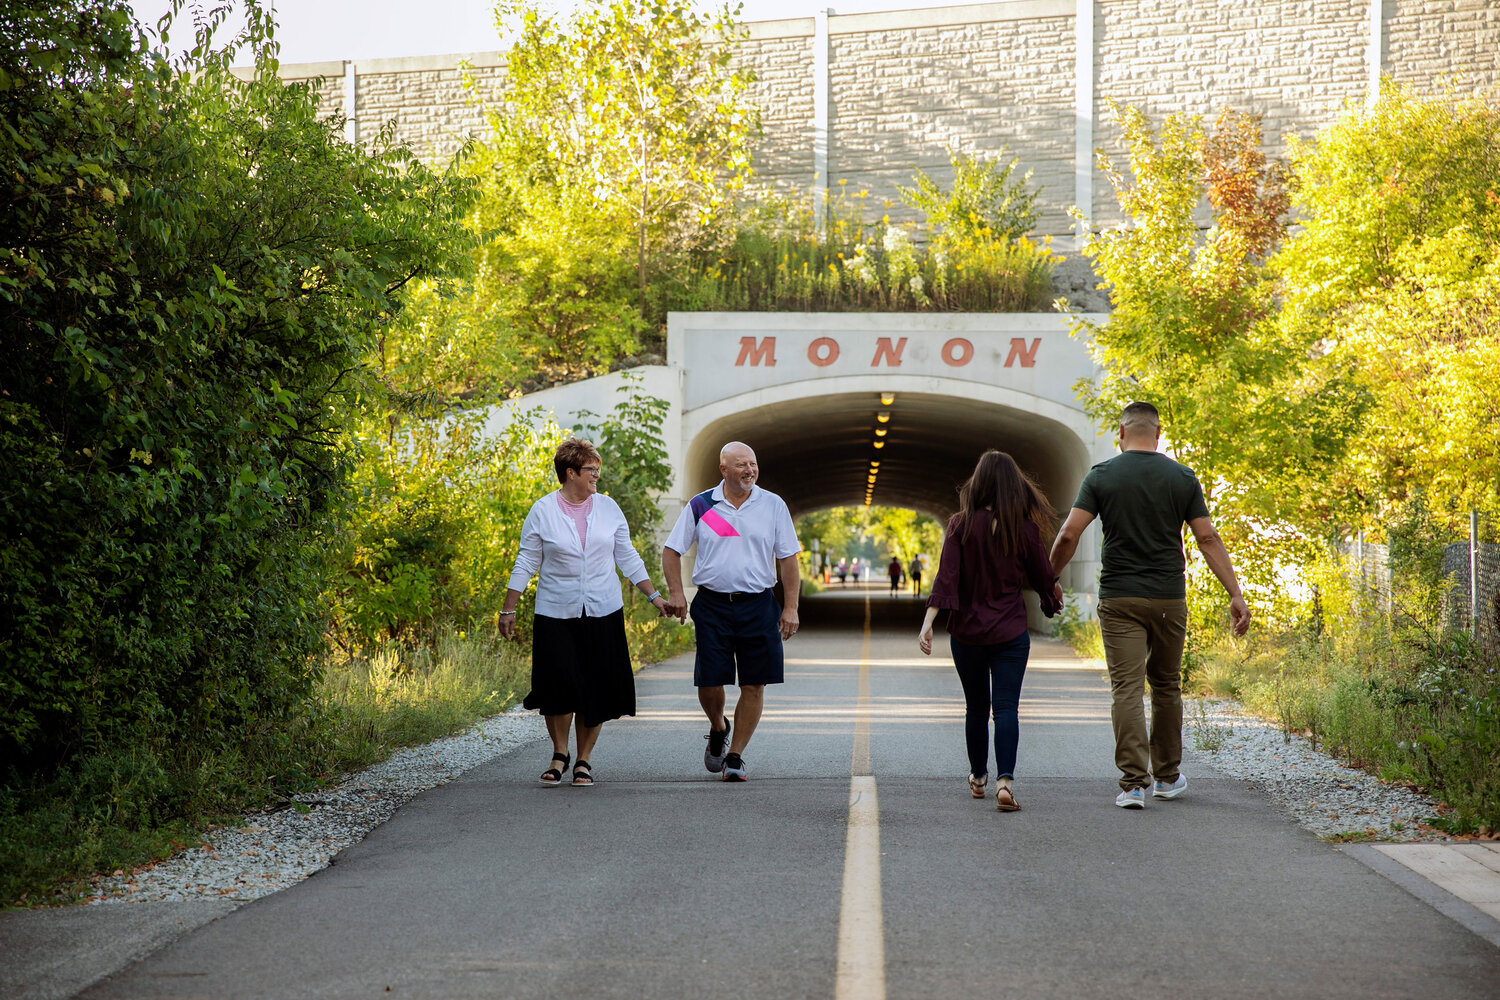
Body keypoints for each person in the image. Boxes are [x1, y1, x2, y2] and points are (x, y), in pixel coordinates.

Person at [1049, 401, 1251, 809]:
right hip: (1168, 598)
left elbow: (1069, 534)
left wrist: (1048, 579)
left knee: (1126, 688)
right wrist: (1235, 592)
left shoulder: (1102, 476)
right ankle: (1167, 777)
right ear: (1158, 435)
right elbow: (1207, 539)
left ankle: (1133, 785)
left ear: (1120, 434)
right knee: (1166, 685)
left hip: (1120, 596)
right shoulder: (1181, 477)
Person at [500, 438, 669, 788]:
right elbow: (526, 561)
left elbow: (627, 557)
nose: (596, 477)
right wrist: (508, 608)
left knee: (597, 686)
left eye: (597, 470)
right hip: (555, 612)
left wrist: (654, 597)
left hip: (603, 610)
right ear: (570, 472)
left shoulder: (608, 508)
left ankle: (584, 760)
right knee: (558, 684)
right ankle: (559, 753)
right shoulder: (542, 510)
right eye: (591, 470)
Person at [918, 451, 1061, 811]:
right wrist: (1051, 595)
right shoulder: (1025, 530)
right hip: (1011, 632)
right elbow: (1043, 577)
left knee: (976, 708)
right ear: (1016, 486)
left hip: (968, 634)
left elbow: (946, 576)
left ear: (978, 483)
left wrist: (928, 622)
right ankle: (1006, 782)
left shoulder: (959, 525)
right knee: (1007, 708)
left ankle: (979, 776)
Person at [662, 441, 801, 782]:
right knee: (710, 681)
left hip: (759, 605)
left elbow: (788, 560)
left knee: (754, 683)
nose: (749, 470)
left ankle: (735, 756)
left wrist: (791, 607)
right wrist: (677, 592)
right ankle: (718, 725)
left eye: (752, 464)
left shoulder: (772, 505)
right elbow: (671, 550)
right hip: (712, 605)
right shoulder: (702, 504)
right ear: (723, 469)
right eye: (741, 465)